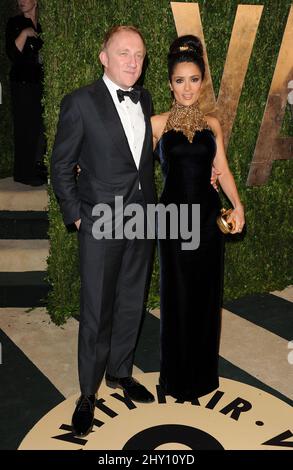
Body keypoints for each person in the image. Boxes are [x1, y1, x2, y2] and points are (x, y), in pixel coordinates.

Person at [51, 25, 157, 438]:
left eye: (139, 55)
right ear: (104, 57)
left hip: (142, 219)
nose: (133, 62)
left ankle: (120, 373)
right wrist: (77, 215)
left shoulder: (145, 98)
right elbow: (61, 167)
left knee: (131, 301)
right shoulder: (80, 103)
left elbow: (137, 163)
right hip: (99, 221)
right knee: (96, 310)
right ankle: (87, 394)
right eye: (124, 53)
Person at [151, 35, 245, 401]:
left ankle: (202, 377)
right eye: (179, 80)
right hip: (173, 221)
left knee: (206, 297)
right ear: (170, 83)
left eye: (193, 79)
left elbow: (221, 170)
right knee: (176, 297)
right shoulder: (157, 123)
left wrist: (237, 205)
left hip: (208, 221)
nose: (186, 87)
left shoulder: (212, 125)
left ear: (202, 80)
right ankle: (176, 380)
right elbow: (129, 164)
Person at [5, 0, 46, 186]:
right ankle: (23, 173)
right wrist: (24, 33)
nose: (21, 1)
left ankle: (38, 169)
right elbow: (12, 55)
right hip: (22, 84)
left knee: (39, 127)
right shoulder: (15, 23)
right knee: (24, 126)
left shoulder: (45, 23)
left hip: (40, 84)